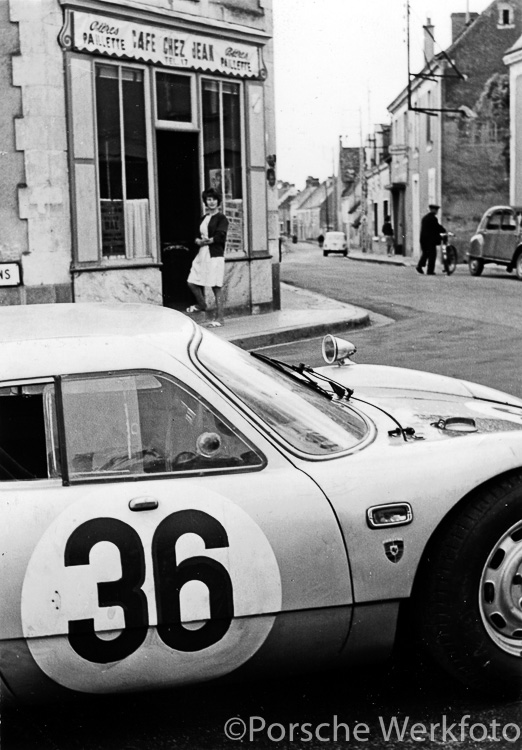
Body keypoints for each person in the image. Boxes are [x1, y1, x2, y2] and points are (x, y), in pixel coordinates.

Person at [186, 187, 228, 327]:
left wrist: (206, 241)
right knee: (192, 281)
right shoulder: (203, 218)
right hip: (202, 253)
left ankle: (220, 318)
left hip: (215, 254)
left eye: (214, 199)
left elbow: (220, 236)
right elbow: (196, 236)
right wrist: (198, 241)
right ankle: (202, 304)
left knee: (216, 286)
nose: (211, 202)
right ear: (205, 201)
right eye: (209, 199)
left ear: (218, 201)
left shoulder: (221, 218)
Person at [417, 204, 446, 275]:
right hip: (429, 240)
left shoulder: (425, 218)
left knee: (426, 253)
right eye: (436, 210)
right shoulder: (433, 218)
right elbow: (437, 227)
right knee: (432, 255)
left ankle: (419, 266)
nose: (437, 211)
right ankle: (430, 271)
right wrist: (444, 230)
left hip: (423, 239)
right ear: (433, 210)